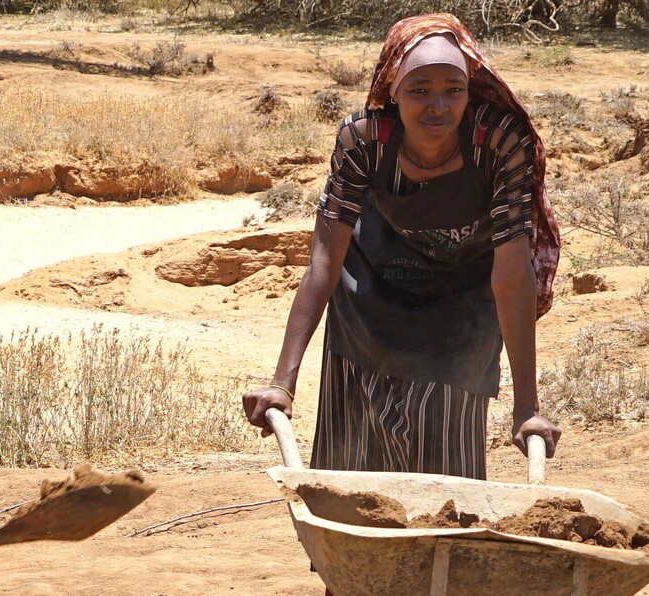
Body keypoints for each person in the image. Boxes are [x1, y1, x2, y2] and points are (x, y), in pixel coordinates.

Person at [242, 13, 564, 484]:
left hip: (462, 308)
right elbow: (325, 261)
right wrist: (281, 384)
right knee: (352, 476)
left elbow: (513, 275)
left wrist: (526, 409)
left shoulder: (496, 142)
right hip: (369, 299)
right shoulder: (364, 140)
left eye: (454, 90)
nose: (438, 105)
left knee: (447, 485)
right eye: (419, 90)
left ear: (469, 91)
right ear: (392, 89)